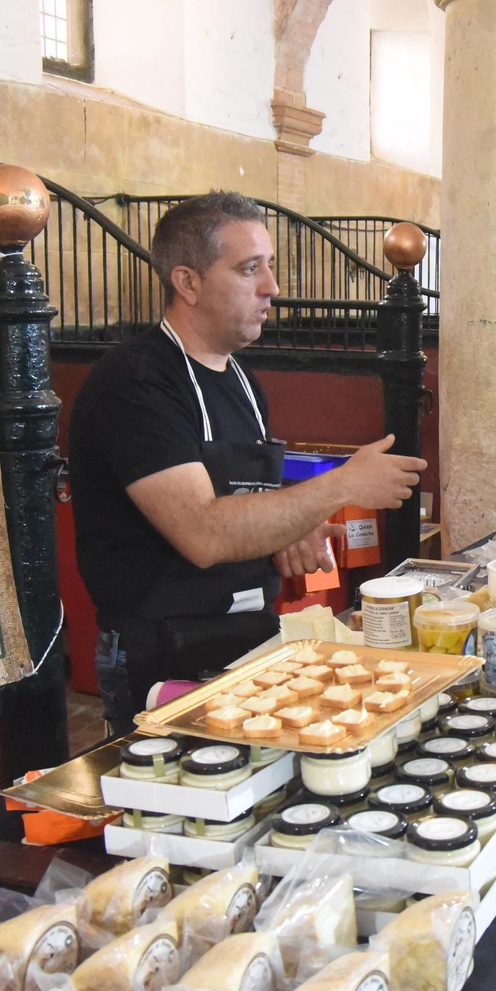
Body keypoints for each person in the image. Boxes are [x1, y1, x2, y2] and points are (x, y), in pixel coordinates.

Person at [69, 191, 427, 733]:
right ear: (187, 282)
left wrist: (288, 529)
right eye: (248, 270)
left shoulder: (240, 378)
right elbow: (204, 532)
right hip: (162, 650)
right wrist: (341, 485)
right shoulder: (137, 384)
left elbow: (243, 504)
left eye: (271, 267)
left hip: (247, 634)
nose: (272, 288)